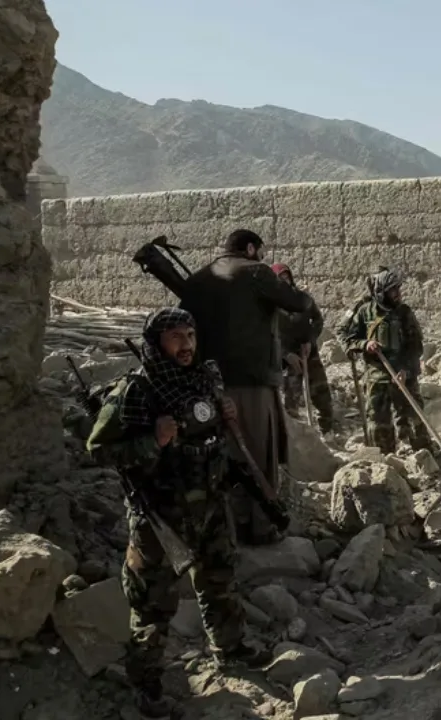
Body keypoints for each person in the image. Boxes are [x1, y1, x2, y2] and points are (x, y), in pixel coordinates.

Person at [86, 309, 270, 719]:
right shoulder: (137, 390)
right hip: (161, 517)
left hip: (210, 505)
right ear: (156, 343)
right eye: (175, 337)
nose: (186, 345)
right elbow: (97, 450)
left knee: (219, 580)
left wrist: (225, 419)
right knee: (153, 605)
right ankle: (146, 683)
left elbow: (208, 436)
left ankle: (231, 649)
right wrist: (154, 440)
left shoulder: (201, 379)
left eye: (190, 334)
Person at [180, 229, 309, 546]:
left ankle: (227, 528)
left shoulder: (198, 279)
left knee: (218, 455)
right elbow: (297, 302)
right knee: (257, 454)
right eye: (261, 251)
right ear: (250, 248)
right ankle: (261, 528)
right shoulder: (255, 272)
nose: (263, 257)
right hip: (250, 383)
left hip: (206, 384)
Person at [336, 267, 433, 455]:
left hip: (403, 375)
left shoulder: (404, 313)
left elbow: (415, 346)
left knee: (414, 419)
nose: (398, 294)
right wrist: (365, 344)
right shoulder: (365, 312)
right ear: (381, 292)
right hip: (376, 377)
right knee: (379, 423)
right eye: (392, 290)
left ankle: (425, 457)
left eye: (398, 289)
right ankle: (386, 461)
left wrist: (406, 369)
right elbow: (347, 337)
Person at [272, 264, 336, 434]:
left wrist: (310, 340)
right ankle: (293, 438)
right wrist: (286, 354)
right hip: (289, 360)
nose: (285, 282)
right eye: (281, 279)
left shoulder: (303, 299)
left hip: (309, 353)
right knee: (291, 399)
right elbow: (269, 335)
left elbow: (317, 320)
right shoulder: (271, 307)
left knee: (321, 394)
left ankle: (327, 431)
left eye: (287, 277)